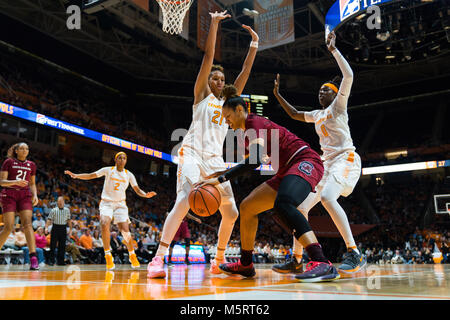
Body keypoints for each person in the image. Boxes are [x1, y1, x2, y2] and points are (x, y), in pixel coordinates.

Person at [147, 10, 259, 278]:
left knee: (231, 213)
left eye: (222, 79)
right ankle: (157, 260)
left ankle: (218, 259)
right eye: (215, 78)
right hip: (191, 154)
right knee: (185, 200)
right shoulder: (201, 97)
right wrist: (214, 24)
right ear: (208, 82)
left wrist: (254, 43)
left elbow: (244, 72)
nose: (219, 81)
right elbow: (208, 58)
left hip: (215, 161)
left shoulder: (230, 104)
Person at [195, 85, 340, 282]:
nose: (226, 122)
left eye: (227, 116)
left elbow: (254, 159)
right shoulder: (248, 133)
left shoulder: (254, 123)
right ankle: (246, 264)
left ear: (239, 110)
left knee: (284, 203)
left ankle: (321, 261)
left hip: (305, 161)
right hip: (286, 170)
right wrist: (217, 173)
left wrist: (222, 178)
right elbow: (249, 160)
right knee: (247, 207)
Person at [272, 31, 366, 275]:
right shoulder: (316, 114)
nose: (321, 93)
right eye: (320, 91)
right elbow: (294, 114)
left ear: (335, 94)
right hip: (326, 165)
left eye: (326, 90)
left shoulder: (339, 107)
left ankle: (354, 252)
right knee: (300, 207)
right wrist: (278, 96)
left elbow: (349, 75)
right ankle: (296, 257)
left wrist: (334, 50)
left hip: (346, 159)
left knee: (327, 198)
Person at [65, 151, 156, 270]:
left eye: (124, 158)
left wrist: (145, 195)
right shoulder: (108, 170)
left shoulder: (129, 174)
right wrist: (77, 176)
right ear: (115, 160)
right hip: (106, 203)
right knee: (104, 223)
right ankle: (108, 255)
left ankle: (132, 254)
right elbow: (91, 175)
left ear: (126, 161)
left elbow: (137, 189)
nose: (122, 160)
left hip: (120, 205)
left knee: (125, 231)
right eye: (120, 158)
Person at [0, 142, 40, 270]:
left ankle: (33, 258)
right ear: (16, 150)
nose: (24, 150)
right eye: (21, 148)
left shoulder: (31, 165)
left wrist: (35, 195)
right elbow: (2, 182)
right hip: (9, 194)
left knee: (28, 224)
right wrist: (15, 182)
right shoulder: (9, 162)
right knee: (8, 226)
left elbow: (32, 183)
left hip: (24, 195)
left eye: (26, 148)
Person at [45, 196, 72, 265]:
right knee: (53, 245)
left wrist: (71, 229)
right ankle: (51, 261)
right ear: (57, 202)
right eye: (58, 201)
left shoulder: (67, 210)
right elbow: (49, 219)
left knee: (62, 246)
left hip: (63, 228)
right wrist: (46, 228)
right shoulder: (53, 210)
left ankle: (61, 261)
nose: (60, 203)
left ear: (63, 202)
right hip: (55, 227)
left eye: (61, 201)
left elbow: (69, 220)